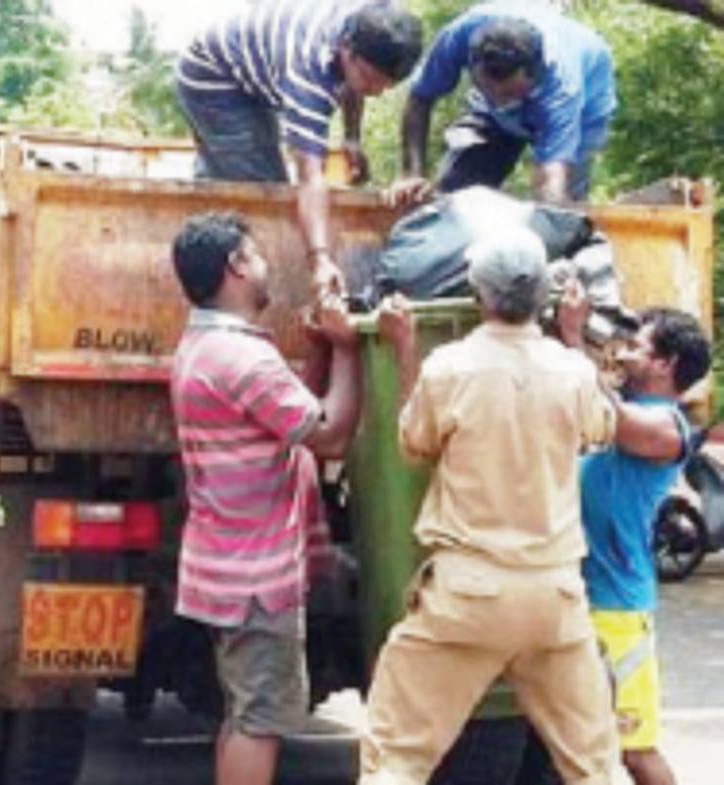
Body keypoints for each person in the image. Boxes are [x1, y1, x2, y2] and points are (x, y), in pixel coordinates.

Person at [359, 227, 619, 785]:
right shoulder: (572, 371)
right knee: (595, 767)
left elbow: (414, 444)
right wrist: (574, 338)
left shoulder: (449, 367)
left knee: (398, 758)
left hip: (468, 597)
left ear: (479, 295)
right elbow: (600, 428)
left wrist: (404, 350)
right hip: (554, 598)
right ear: (544, 300)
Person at [169, 211, 363, 785]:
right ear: (235, 266)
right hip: (255, 577)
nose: (265, 265)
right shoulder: (242, 357)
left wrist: (320, 355)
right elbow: (326, 432)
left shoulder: (208, 346)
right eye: (256, 255)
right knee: (260, 720)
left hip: (225, 568)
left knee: (244, 713)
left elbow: (282, 418)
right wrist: (350, 350)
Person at [558, 289, 711, 785]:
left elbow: (612, 418)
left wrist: (573, 336)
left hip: (618, 609)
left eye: (638, 347)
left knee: (635, 750)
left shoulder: (667, 427)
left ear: (666, 365)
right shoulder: (623, 401)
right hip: (578, 596)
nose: (624, 351)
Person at [176, 1, 423, 300]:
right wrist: (319, 259)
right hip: (213, 76)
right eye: (371, 80)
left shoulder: (372, 22)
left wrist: (352, 138)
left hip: (253, 66)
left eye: (386, 86)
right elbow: (311, 178)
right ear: (346, 48)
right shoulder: (308, 71)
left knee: (240, 172)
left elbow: (353, 83)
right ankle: (229, 288)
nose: (376, 92)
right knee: (264, 190)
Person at [390, 1, 615, 205]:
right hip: (489, 111)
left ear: (533, 75)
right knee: (455, 192)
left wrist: (551, 218)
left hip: (587, 106)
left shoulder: (562, 87)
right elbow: (420, 98)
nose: (499, 99)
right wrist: (413, 173)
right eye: (488, 87)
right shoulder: (459, 36)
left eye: (507, 92)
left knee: (563, 208)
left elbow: (552, 176)